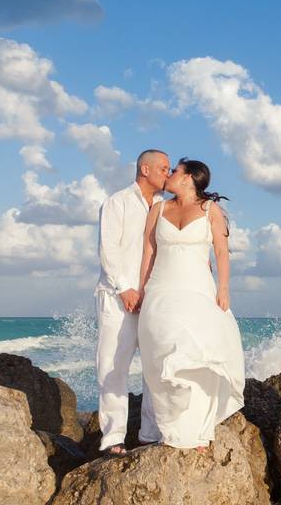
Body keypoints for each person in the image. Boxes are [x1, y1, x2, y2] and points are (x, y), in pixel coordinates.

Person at [135, 157, 245, 453]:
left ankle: (196, 428)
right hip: (160, 289)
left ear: (188, 178)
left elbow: (222, 253)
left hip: (197, 291)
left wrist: (223, 289)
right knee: (160, 353)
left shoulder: (211, 211)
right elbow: (149, 251)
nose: (169, 175)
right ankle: (160, 426)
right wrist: (142, 290)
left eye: (175, 171)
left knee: (197, 354)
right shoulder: (158, 209)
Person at [94, 149, 170, 457]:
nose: (168, 173)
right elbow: (107, 248)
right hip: (117, 297)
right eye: (164, 168)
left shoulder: (164, 206)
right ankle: (113, 438)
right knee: (113, 365)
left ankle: (149, 434)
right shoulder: (118, 202)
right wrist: (125, 288)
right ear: (145, 169)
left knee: (154, 367)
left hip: (152, 299)